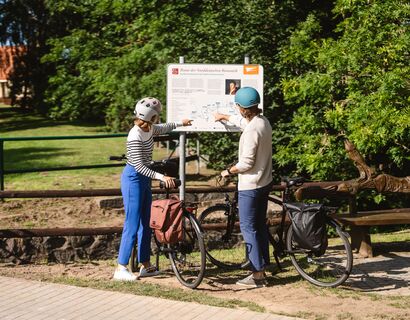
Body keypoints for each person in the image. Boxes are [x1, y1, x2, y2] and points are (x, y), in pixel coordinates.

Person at [113, 97, 192, 281]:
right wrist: (161, 176)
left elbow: (164, 127)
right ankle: (120, 267)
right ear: (153, 116)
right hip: (133, 178)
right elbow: (139, 166)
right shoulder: (135, 135)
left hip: (144, 179)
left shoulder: (149, 128)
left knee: (145, 224)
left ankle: (145, 265)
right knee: (131, 224)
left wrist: (181, 123)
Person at [214, 87, 272, 288]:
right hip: (264, 183)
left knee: (248, 228)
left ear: (241, 108)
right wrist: (224, 116)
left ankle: (257, 276)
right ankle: (263, 265)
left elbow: (246, 163)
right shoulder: (263, 122)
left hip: (250, 186)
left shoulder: (252, 130)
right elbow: (243, 123)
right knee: (260, 226)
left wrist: (228, 171)